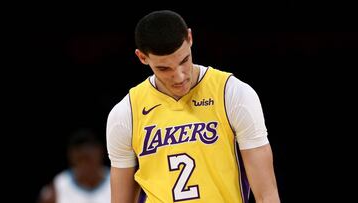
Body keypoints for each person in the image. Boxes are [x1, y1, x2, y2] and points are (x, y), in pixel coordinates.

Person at [106, 10, 280, 203]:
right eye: (164, 69)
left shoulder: (233, 94)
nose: (179, 76)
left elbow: (267, 195)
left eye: (184, 61)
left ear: (190, 38)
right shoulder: (125, 113)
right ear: (142, 57)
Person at [37, 128, 110, 203]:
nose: (86, 167)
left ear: (101, 153)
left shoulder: (116, 180)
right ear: (71, 158)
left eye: (88, 160)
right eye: (81, 160)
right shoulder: (58, 186)